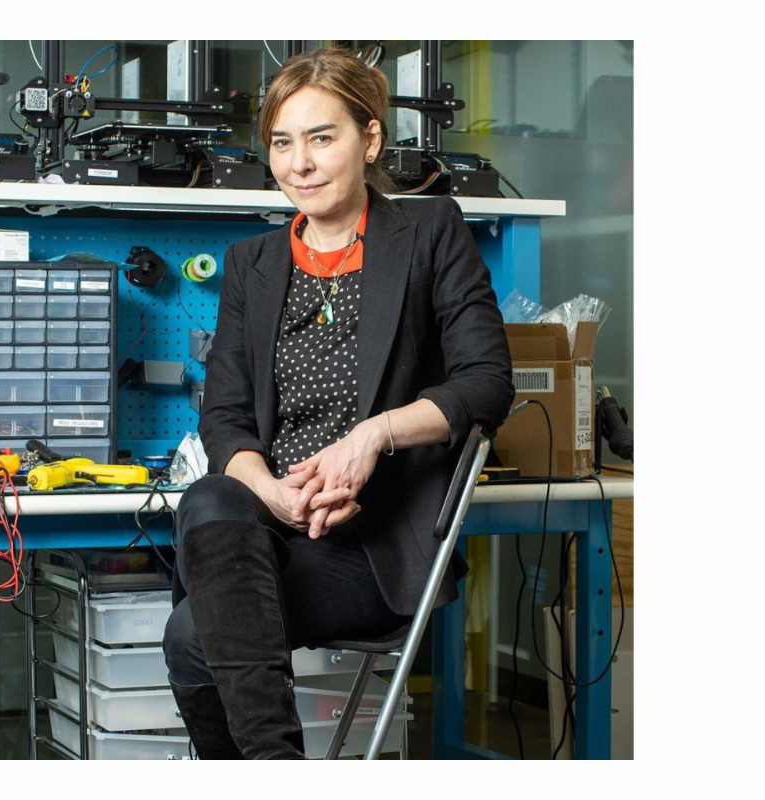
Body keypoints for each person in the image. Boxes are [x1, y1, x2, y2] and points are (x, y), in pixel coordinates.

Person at [162, 48, 514, 760]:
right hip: (270, 527)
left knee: (192, 634)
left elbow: (487, 382)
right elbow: (224, 416)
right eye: (283, 144)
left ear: (370, 139)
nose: (301, 163)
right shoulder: (251, 264)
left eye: (322, 138)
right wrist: (273, 493)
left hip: (375, 546)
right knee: (210, 496)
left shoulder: (429, 235)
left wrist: (373, 437)